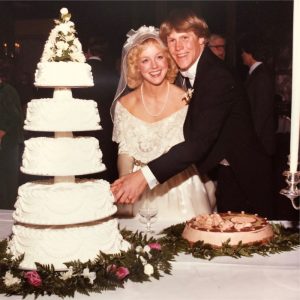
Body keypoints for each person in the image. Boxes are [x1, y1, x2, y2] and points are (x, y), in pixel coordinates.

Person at [111, 9, 274, 219]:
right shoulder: (193, 73)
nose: (178, 48)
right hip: (225, 175)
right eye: (172, 40)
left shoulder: (216, 77)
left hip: (246, 179)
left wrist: (143, 176)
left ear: (202, 40)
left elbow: (197, 144)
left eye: (185, 38)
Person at [111, 25, 215, 221]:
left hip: (182, 190)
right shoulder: (124, 105)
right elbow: (125, 151)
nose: (154, 66)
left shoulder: (188, 100)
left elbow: (198, 147)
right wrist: (125, 184)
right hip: (139, 189)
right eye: (145, 60)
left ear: (168, 59)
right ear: (136, 66)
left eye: (159, 57)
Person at [74, 37, 119, 183]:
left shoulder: (78, 73)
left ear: (87, 52)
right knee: (104, 166)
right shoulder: (114, 75)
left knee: (83, 169)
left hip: (81, 128)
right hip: (107, 129)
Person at [239, 33, 276, 157]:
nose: (241, 55)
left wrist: (250, 143)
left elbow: (261, 113)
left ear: (250, 53)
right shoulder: (256, 74)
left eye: (243, 52)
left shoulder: (261, 76)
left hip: (260, 144)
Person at [0, 60, 24, 209]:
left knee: (7, 179)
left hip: (8, 143)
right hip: (7, 143)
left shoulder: (6, 90)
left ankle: (7, 211)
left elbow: (14, 116)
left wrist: (1, 132)